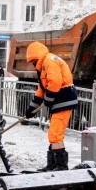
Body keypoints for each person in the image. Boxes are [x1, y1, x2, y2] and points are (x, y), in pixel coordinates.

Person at [24, 41, 77, 171]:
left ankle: (61, 167)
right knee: (53, 134)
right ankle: (52, 165)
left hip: (64, 99)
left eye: (33, 62)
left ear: (36, 58)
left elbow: (55, 81)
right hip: (59, 101)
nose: (33, 65)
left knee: (55, 135)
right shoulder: (43, 65)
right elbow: (41, 90)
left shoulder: (49, 61)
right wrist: (31, 110)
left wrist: (49, 98)